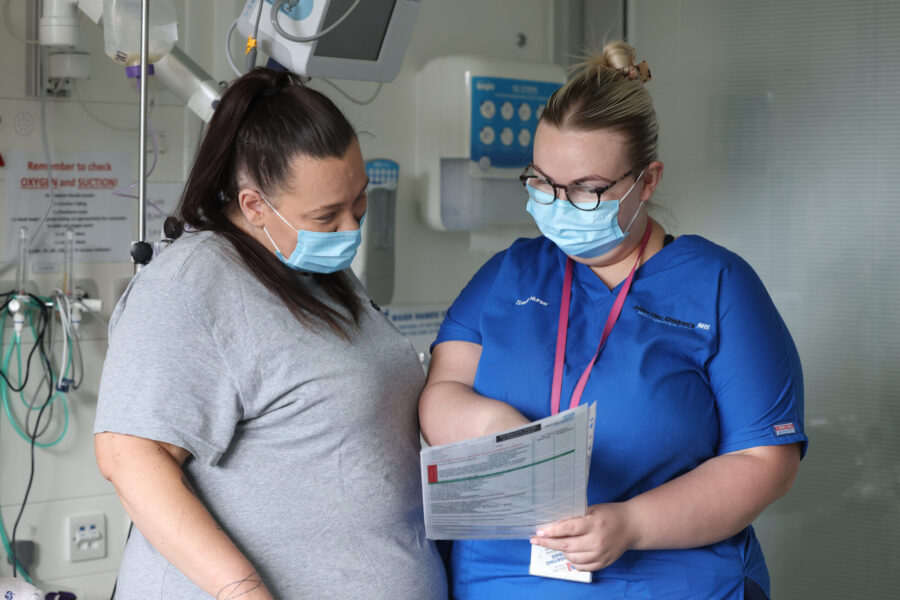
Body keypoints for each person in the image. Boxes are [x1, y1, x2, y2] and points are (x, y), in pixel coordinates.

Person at [419, 41, 806, 600]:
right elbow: (442, 390)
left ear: (648, 181)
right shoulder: (509, 275)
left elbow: (766, 461)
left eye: (587, 190)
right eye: (542, 182)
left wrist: (631, 525)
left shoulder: (720, 286)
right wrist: (493, 430)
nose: (557, 202)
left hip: (670, 582)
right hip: (500, 578)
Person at [94, 68, 447, 600]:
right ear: (255, 205)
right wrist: (242, 591)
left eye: (359, 203)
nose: (351, 230)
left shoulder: (311, 270)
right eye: (327, 216)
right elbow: (129, 457)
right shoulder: (192, 285)